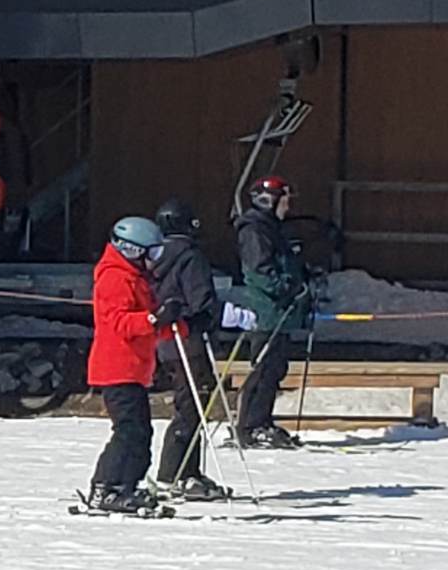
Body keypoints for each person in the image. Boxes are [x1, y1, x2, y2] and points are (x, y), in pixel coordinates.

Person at [85, 216, 168, 513]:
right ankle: (105, 487)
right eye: (153, 253)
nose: (156, 261)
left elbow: (150, 323)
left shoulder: (136, 279)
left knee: (141, 432)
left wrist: (180, 324)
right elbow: (119, 322)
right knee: (129, 431)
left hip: (134, 369)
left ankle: (126, 486)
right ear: (133, 250)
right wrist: (154, 319)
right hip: (116, 369)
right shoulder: (114, 278)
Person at [150, 196, 229, 500]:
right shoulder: (190, 257)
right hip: (190, 340)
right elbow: (201, 300)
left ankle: (189, 470)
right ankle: (176, 473)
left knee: (190, 402)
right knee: (194, 404)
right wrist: (216, 319)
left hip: (166, 339)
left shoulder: (155, 256)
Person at [233, 174, 312, 448]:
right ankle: (249, 425)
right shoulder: (255, 230)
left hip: (280, 310)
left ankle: (262, 420)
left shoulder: (272, 228)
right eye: (284, 200)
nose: (288, 207)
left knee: (275, 367)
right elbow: (260, 271)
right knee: (263, 367)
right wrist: (286, 288)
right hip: (267, 310)